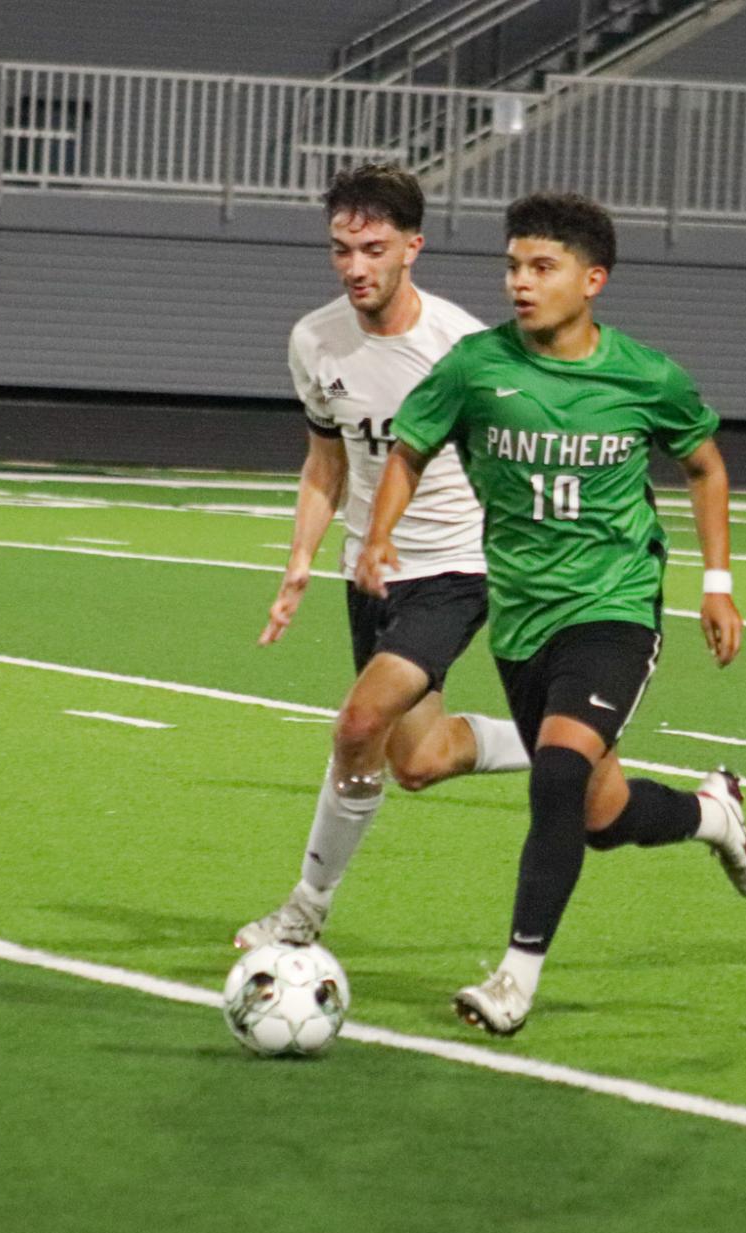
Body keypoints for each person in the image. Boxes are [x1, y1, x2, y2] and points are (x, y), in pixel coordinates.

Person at [355, 191, 746, 1035]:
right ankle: (710, 815)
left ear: (592, 280)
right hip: (521, 618)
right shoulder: (473, 366)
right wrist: (378, 538)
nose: (520, 282)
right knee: (599, 816)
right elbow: (409, 449)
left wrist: (716, 582)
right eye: (512, 265)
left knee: (556, 774)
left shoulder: (646, 375)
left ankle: (513, 979)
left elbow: (706, 468)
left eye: (541, 268)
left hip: (614, 605)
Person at [235, 164, 530, 951]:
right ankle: (565, 737)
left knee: (359, 723)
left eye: (371, 248)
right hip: (367, 573)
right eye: (340, 250)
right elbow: (325, 462)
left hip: (456, 568)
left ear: (412, 248)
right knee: (420, 759)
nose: (354, 267)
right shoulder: (313, 339)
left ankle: (303, 911)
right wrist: (298, 561)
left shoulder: (464, 347)